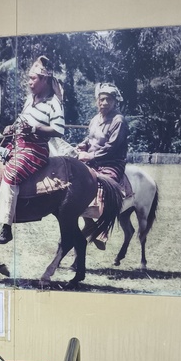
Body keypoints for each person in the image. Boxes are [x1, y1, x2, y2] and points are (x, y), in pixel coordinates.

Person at [0, 55, 69, 244]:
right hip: (17, 144)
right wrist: (11, 127)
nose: (29, 82)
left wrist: (34, 129)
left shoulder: (54, 103)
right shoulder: (29, 99)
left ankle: (6, 227)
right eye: (29, 78)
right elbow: (22, 121)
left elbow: (59, 130)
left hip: (35, 150)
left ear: (44, 80)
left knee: (11, 174)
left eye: (33, 79)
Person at [76, 83, 129, 249]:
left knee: (106, 186)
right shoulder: (95, 119)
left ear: (115, 102)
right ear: (97, 101)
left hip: (112, 162)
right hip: (93, 161)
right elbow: (90, 138)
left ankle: (103, 230)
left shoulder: (118, 121)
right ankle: (88, 222)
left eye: (109, 100)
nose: (104, 103)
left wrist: (90, 155)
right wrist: (83, 145)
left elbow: (112, 147)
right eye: (102, 99)